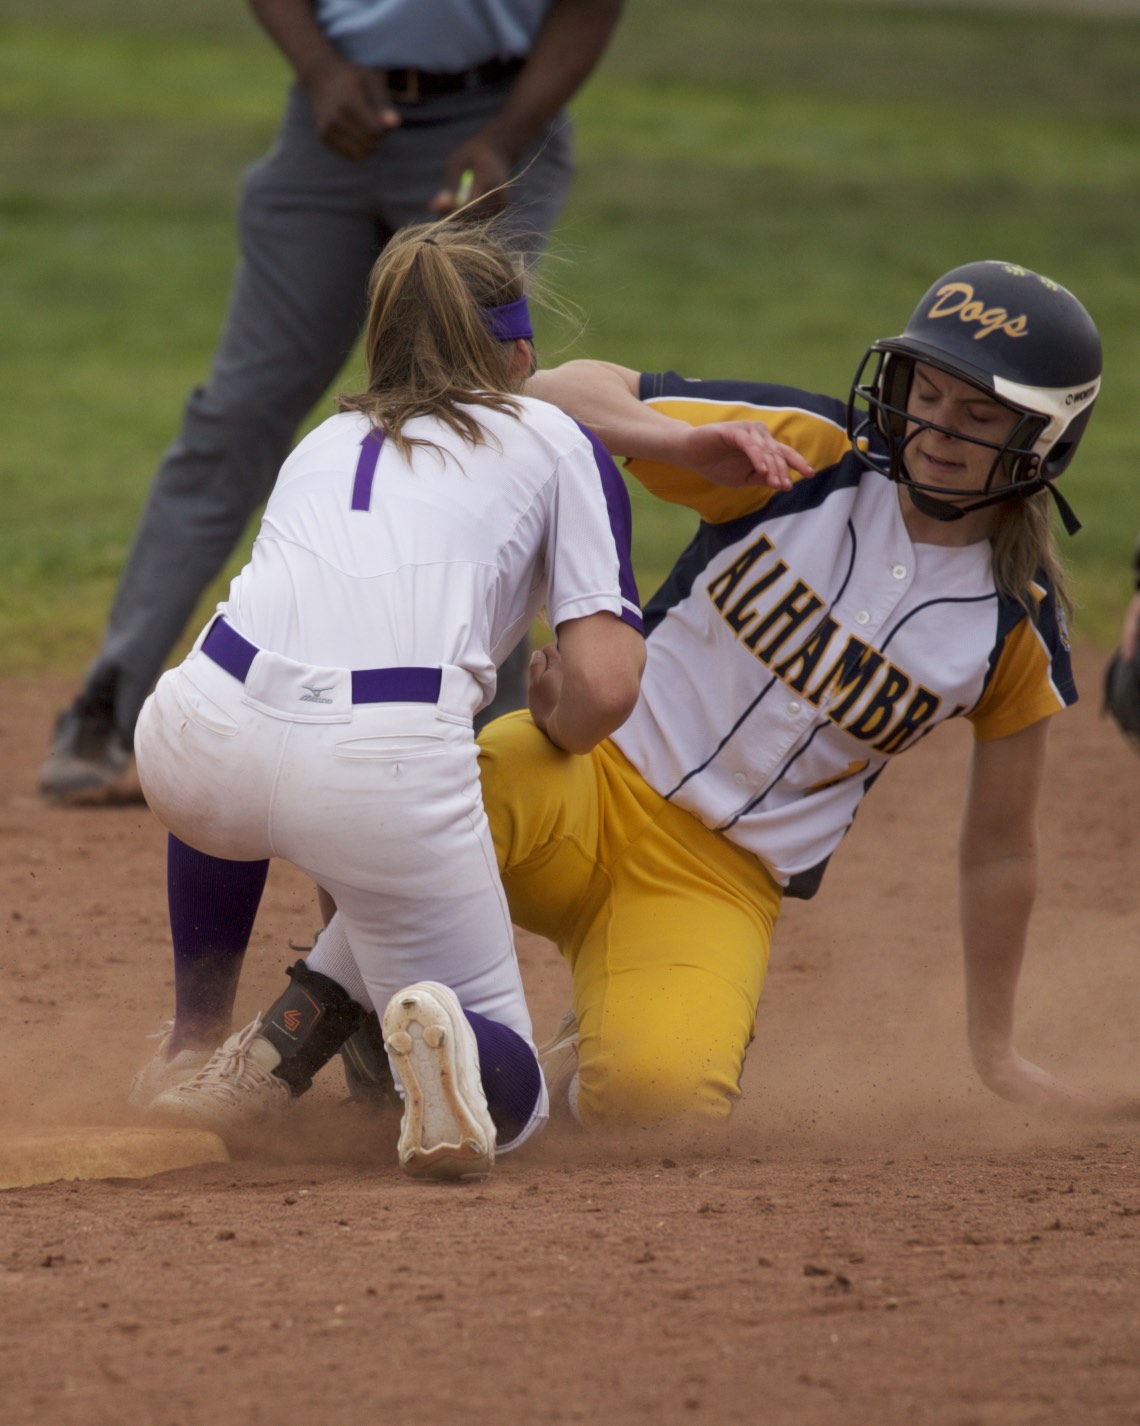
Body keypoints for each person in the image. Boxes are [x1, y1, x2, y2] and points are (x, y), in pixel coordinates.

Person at [133, 258, 1105, 1132]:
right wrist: (674, 443)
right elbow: (556, 391)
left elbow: (1000, 850)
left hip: (715, 879)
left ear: (1045, 437)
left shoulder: (1015, 629)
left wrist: (995, 1051)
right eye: (926, 392)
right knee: (414, 799)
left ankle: (543, 1054)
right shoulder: (808, 452)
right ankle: (278, 1050)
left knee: (657, 1105)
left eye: (979, 416)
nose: (937, 428)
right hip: (580, 773)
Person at [127, 217, 645, 1180]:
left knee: (251, 745)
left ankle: (198, 1044)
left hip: (191, 739)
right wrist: (556, 719)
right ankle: (440, 1031)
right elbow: (606, 690)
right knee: (515, 1102)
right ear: (520, 356)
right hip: (379, 773)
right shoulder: (554, 437)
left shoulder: (322, 442)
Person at [40, 0, 625, 806]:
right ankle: (108, 705)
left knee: (479, 422)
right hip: (334, 120)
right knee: (237, 413)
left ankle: (496, 732)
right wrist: (318, 70)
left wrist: (509, 132)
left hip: (494, 123)